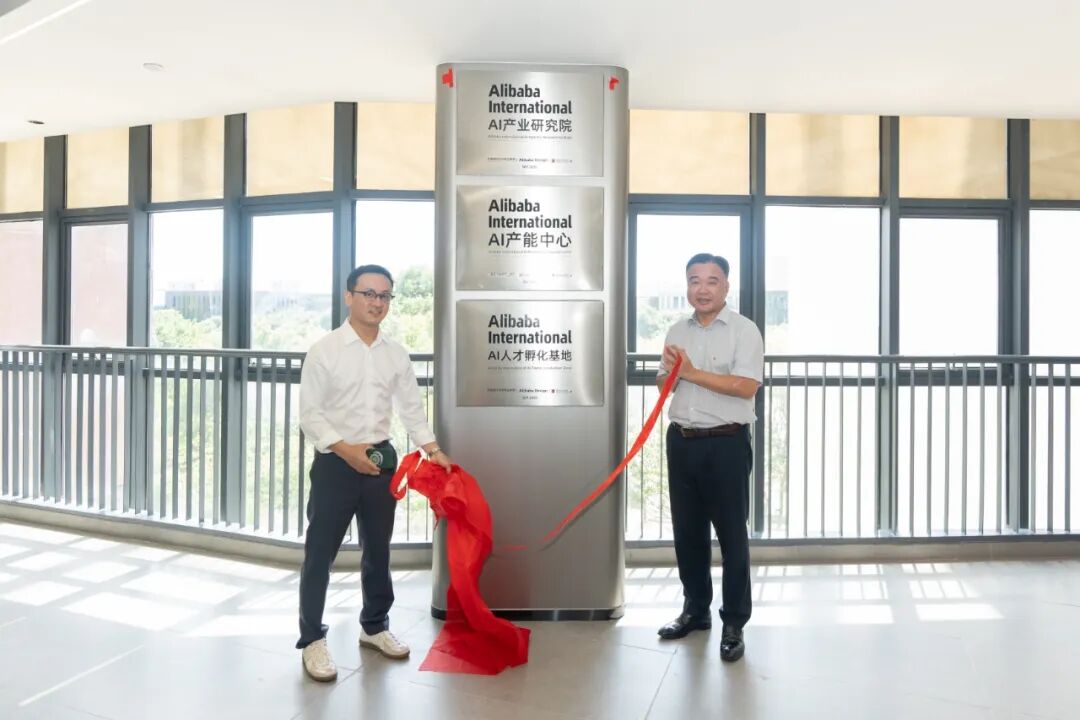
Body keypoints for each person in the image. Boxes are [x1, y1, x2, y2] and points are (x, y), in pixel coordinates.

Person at [296, 264, 452, 682]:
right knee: (320, 553)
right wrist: (347, 452)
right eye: (368, 293)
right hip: (335, 462)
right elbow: (310, 415)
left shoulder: (395, 353)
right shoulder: (325, 350)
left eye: (384, 295)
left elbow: (411, 410)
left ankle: (375, 626)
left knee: (378, 550)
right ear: (349, 296)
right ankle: (311, 639)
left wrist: (433, 450)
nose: (376, 302)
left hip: (382, 461)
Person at [655, 253, 763, 663]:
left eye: (711, 281)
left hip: (726, 443)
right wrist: (669, 375)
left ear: (726, 287)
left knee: (732, 536)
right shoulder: (676, 330)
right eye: (694, 280)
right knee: (687, 533)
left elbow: (746, 386)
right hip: (682, 440)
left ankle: (733, 622)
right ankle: (695, 610)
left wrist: (691, 372)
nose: (702, 289)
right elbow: (665, 383)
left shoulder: (744, 330)